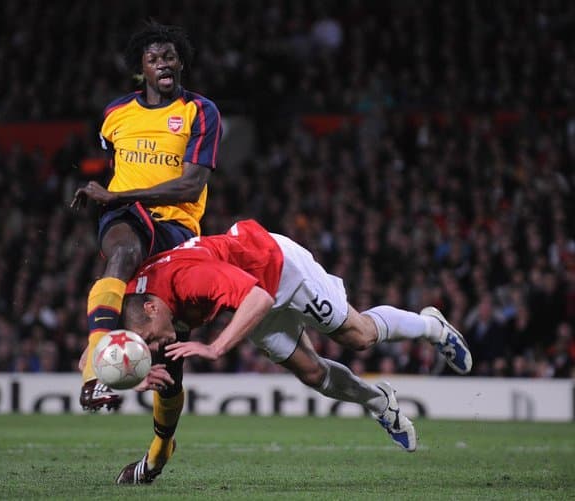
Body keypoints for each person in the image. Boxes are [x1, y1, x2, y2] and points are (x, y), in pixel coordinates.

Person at [116, 219, 472, 484]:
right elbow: (109, 345)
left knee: (359, 336)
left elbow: (259, 297)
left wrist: (216, 347)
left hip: (279, 269)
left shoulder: (188, 280)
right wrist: (135, 375)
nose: (156, 347)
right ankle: (379, 402)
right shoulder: (139, 299)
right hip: (249, 292)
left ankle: (432, 326)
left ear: (151, 308)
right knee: (312, 373)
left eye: (150, 339)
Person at [70, 21, 222, 413]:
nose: (163, 64)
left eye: (170, 57)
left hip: (177, 228)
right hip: (126, 215)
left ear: (181, 63)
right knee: (122, 252)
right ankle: (93, 374)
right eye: (153, 59)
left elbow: (190, 187)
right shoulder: (116, 113)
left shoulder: (200, 111)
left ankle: (161, 444)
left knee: (170, 363)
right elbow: (118, 168)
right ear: (142, 69)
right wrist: (116, 200)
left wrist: (117, 194)